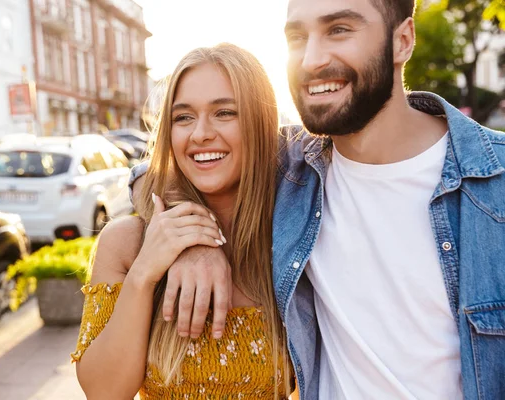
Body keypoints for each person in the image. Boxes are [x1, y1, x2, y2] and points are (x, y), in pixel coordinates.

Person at [130, 0, 505, 399]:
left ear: (403, 40)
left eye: (339, 29)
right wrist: (197, 236)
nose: (311, 59)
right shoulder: (293, 170)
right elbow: (157, 171)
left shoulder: (494, 182)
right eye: (296, 37)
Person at [72, 43, 294, 399]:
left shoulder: (294, 241)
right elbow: (104, 392)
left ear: (260, 121)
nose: (200, 134)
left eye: (225, 113)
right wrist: (145, 273)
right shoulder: (125, 243)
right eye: (183, 117)